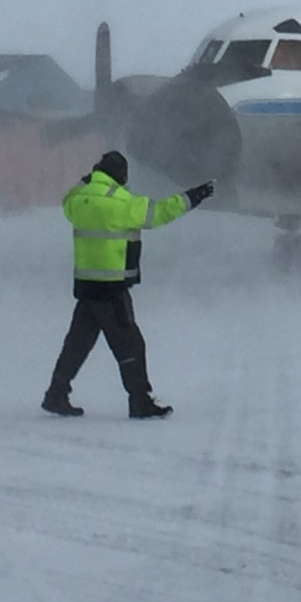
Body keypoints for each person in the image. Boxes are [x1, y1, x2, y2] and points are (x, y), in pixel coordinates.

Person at [43, 150, 213, 420]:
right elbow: (160, 213)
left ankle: (56, 393)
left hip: (87, 287)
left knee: (77, 344)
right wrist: (193, 197)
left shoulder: (80, 199)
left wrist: (84, 182)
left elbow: (67, 202)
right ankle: (140, 401)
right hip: (112, 289)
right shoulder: (120, 203)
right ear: (119, 174)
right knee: (130, 345)